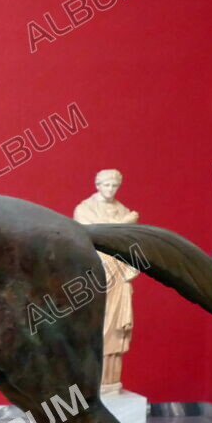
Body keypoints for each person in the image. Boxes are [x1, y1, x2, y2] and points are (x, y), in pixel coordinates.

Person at [73, 169, 139, 395]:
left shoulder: (122, 209)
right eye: (106, 185)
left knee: (115, 329)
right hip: (96, 272)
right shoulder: (85, 209)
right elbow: (95, 234)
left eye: (114, 185)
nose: (110, 190)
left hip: (119, 273)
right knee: (95, 323)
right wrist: (125, 222)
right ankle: (90, 381)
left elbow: (129, 241)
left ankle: (110, 382)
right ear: (98, 185)